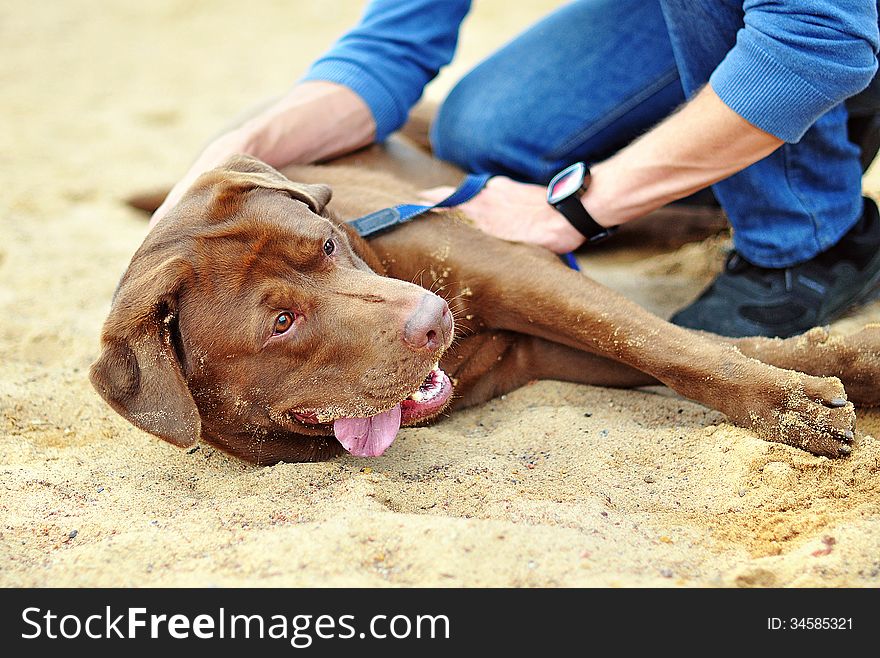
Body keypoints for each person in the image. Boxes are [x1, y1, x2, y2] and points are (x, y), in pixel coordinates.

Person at [151, 0, 880, 338]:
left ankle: (808, 234)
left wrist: (572, 210)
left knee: (801, 53)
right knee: (491, 129)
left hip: (828, 21)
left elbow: (814, 41)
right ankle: (748, 156)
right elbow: (389, 50)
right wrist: (235, 151)